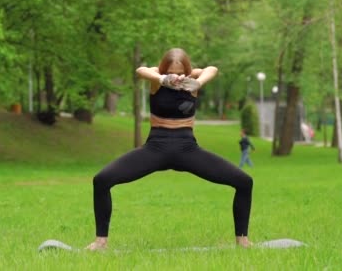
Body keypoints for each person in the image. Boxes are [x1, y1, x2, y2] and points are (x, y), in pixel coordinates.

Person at [86, 48, 254, 250]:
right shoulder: (156, 80)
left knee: (244, 182)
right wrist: (163, 79)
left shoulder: (191, 80)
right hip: (156, 148)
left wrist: (198, 82)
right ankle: (100, 242)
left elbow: (212, 69)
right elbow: (141, 70)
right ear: (165, 69)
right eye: (173, 71)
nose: (179, 76)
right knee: (102, 180)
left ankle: (242, 241)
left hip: (187, 149)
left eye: (182, 71)